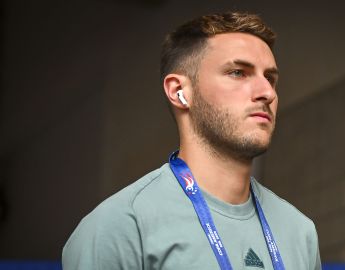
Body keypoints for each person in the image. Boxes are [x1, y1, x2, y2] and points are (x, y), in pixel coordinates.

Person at [62, 11, 321, 270]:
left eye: (270, 78)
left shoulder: (299, 232)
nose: (267, 92)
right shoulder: (122, 226)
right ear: (179, 92)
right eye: (238, 72)